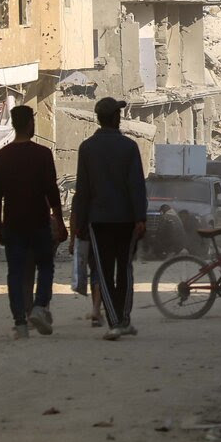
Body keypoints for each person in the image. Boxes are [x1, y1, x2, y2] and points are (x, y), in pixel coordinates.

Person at [72, 98, 147, 340]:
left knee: (103, 272)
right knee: (124, 269)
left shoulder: (87, 148)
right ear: (116, 118)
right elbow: (137, 186)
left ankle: (117, 320)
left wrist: (80, 225)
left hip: (99, 220)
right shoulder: (129, 147)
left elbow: (82, 191)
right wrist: (140, 218)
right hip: (125, 219)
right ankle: (121, 318)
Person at [0, 105, 66, 339]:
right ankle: (39, 306)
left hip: (13, 224)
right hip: (39, 222)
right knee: (45, 266)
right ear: (30, 124)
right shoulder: (42, 154)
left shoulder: (1, 156)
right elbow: (51, 191)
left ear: (13, 125)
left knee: (15, 272)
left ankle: (20, 323)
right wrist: (60, 222)